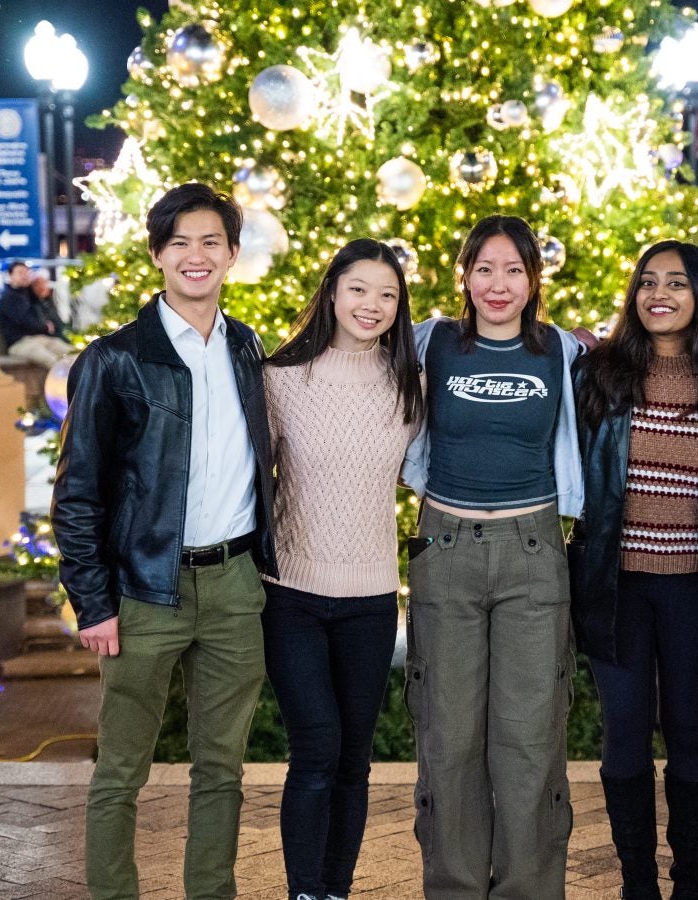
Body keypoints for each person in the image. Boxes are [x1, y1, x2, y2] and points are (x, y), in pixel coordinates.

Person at [52, 182, 278, 900]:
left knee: (223, 768)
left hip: (236, 586)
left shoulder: (247, 348)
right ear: (156, 254)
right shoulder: (115, 360)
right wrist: (92, 603)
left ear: (233, 255)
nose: (196, 255)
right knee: (122, 768)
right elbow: (78, 492)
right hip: (145, 591)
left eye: (212, 241)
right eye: (179, 242)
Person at [400, 214, 585, 899]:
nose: (498, 284)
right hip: (444, 549)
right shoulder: (430, 344)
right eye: (484, 269)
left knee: (530, 742)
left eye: (513, 270)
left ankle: (529, 891)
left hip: (533, 553)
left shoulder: (563, 352)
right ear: (465, 277)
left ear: (535, 277)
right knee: (448, 741)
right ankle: (452, 888)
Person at [571, 242, 698, 900]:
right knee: (624, 737)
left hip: (697, 589)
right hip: (618, 589)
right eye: (646, 281)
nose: (658, 293)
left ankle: (690, 880)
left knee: (693, 736)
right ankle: (637, 880)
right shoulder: (601, 373)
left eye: (675, 282)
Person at [260, 239, 424, 900]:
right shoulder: (278, 378)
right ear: (332, 291)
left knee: (355, 759)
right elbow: (248, 481)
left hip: (373, 598)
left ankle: (335, 889)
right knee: (318, 749)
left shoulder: (411, 382)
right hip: (292, 595)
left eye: (387, 294)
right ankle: (304, 891)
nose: (373, 305)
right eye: (359, 289)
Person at [0, 262, 72, 366]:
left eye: (26, 272)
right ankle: (63, 382)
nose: (24, 276)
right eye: (20, 273)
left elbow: (47, 311)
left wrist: (44, 295)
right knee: (52, 360)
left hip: (41, 339)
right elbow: (25, 321)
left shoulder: (29, 294)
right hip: (20, 343)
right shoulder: (9, 297)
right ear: (10, 276)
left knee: (75, 354)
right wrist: (45, 327)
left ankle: (79, 382)